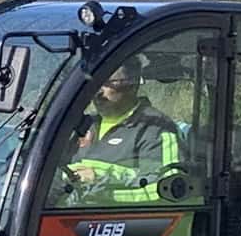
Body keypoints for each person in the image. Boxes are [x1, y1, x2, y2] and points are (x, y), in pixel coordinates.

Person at [57, 54, 187, 205]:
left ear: (132, 84)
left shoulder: (156, 129)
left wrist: (100, 185)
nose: (97, 92)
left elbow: (170, 190)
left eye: (107, 83)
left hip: (121, 223)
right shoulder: (82, 125)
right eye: (93, 83)